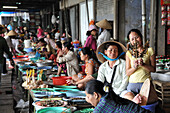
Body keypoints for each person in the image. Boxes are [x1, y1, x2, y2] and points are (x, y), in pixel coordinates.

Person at [85, 80, 151, 113]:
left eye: (88, 97)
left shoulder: (100, 108)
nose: (86, 100)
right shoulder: (110, 96)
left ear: (96, 95)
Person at [126, 29, 156, 101]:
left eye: (137, 37)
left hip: (146, 83)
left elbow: (154, 69)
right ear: (130, 42)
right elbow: (127, 73)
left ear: (141, 37)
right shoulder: (129, 53)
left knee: (148, 105)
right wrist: (134, 67)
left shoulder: (149, 50)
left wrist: (143, 65)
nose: (135, 40)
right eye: (132, 39)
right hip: (132, 84)